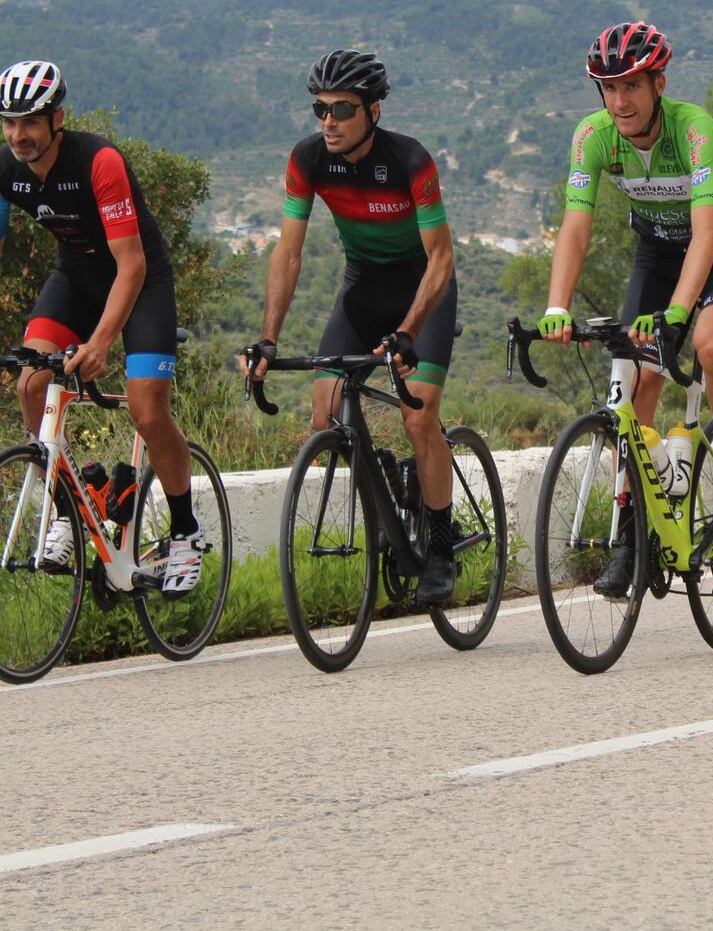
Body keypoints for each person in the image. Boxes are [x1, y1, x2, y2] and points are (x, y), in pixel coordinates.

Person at [538, 21, 713, 597]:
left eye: (632, 86)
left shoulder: (694, 131)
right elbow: (575, 226)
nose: (620, 101)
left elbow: (708, 233)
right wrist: (556, 305)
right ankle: (633, 537)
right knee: (632, 395)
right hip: (657, 256)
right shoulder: (593, 137)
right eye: (609, 88)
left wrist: (675, 319)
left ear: (658, 83)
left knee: (712, 345)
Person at [240, 49, 459, 605]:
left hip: (423, 289)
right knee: (325, 410)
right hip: (363, 287)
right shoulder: (309, 158)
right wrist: (269, 338)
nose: (328, 121)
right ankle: (386, 488)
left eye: (342, 109)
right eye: (320, 109)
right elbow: (288, 254)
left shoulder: (411, 160)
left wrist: (409, 329)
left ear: (374, 111)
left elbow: (441, 259)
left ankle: (439, 545)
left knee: (419, 415)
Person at [0, 60, 202, 591]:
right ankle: (69, 506)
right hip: (77, 274)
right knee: (31, 382)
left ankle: (185, 532)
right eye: (9, 123)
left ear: (57, 119)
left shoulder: (98, 161)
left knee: (146, 407)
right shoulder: (5, 168)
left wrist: (100, 342)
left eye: (31, 122)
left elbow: (131, 264)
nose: (19, 135)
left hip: (141, 279)